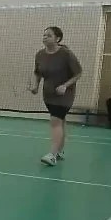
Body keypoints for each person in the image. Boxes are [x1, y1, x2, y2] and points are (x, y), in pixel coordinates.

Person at [30, 26, 82, 166]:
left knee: (55, 121)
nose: (45, 37)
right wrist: (35, 86)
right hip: (48, 94)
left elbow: (78, 73)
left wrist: (65, 85)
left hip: (65, 95)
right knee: (60, 121)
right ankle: (60, 151)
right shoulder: (40, 54)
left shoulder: (66, 54)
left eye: (49, 35)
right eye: (44, 35)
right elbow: (38, 72)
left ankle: (52, 155)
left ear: (57, 38)